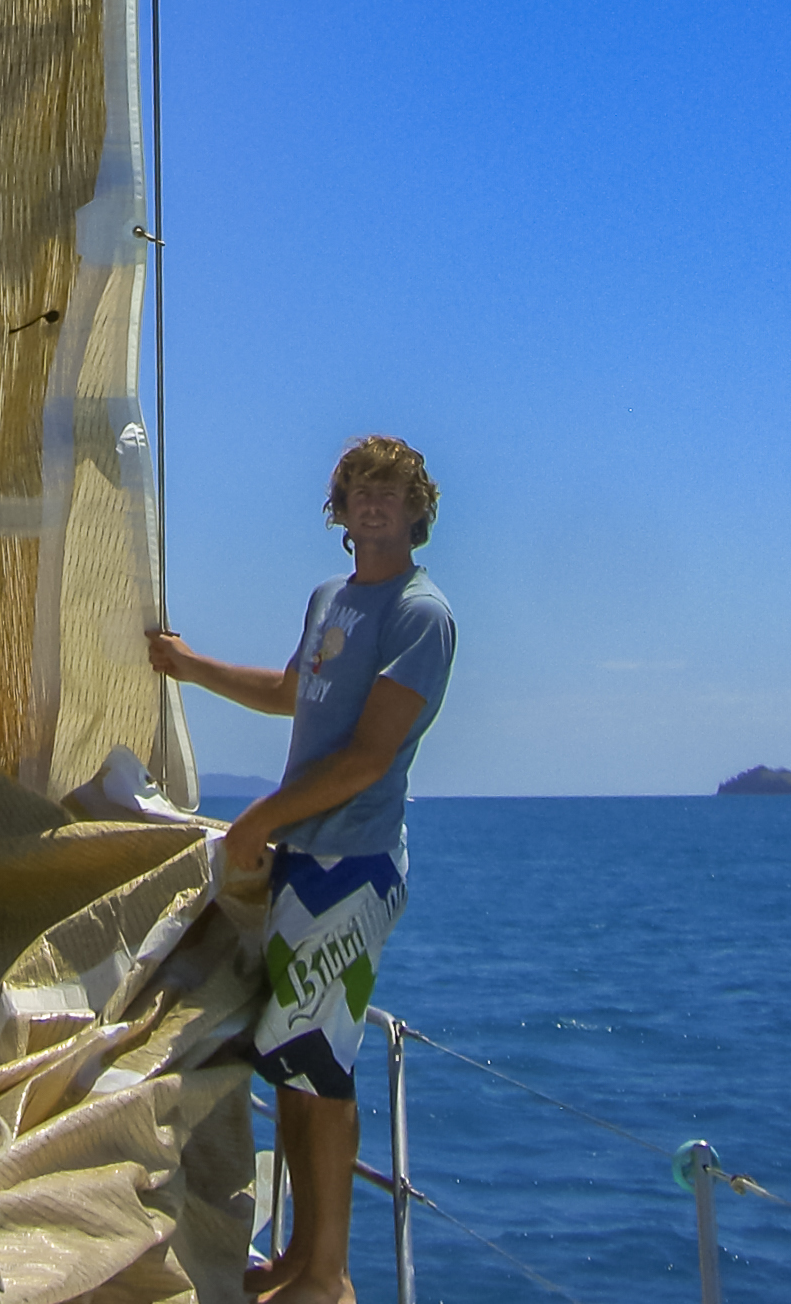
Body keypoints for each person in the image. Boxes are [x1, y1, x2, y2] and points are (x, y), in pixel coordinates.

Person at [147, 435, 455, 1304]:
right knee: (290, 1060)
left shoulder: (418, 613)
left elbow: (366, 755)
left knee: (320, 1065)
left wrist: (257, 819)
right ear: (340, 509)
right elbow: (293, 692)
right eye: (358, 490)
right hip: (303, 859)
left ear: (415, 511)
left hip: (352, 863)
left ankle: (325, 1273)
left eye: (390, 492)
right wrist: (188, 664)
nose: (371, 504)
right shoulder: (331, 597)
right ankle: (293, 1262)